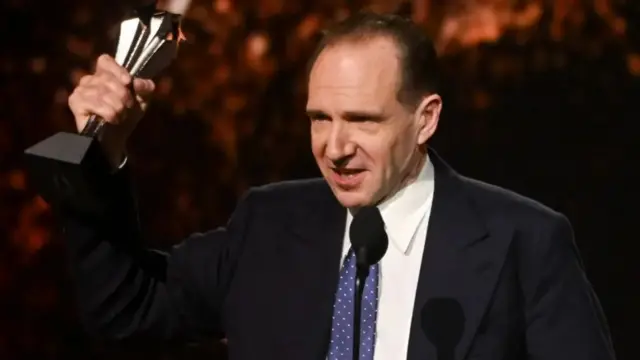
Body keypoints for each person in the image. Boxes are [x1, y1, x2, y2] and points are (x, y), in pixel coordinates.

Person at [64, 12, 615, 360]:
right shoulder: (270, 225)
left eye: (362, 120)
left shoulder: (525, 241)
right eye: (319, 118)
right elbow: (125, 309)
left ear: (425, 119)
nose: (334, 146)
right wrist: (99, 151)